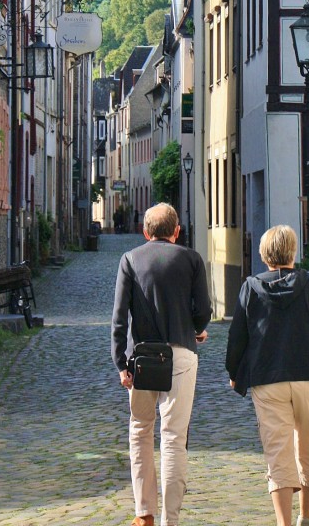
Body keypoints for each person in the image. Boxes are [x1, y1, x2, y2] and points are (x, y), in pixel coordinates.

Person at [225, 225, 309, 526]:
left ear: (265, 255)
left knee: (277, 451)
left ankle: (284, 523)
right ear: (293, 252)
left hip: (268, 377)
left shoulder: (251, 287)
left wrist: (233, 371)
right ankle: (306, 513)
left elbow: (237, 336)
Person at [112, 202, 212, 526]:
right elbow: (204, 309)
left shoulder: (129, 260)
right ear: (177, 231)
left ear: (145, 232)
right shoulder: (192, 259)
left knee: (140, 431)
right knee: (173, 437)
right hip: (180, 354)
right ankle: (171, 519)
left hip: (141, 358)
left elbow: (118, 318)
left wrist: (120, 363)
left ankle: (144, 513)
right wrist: (196, 329)